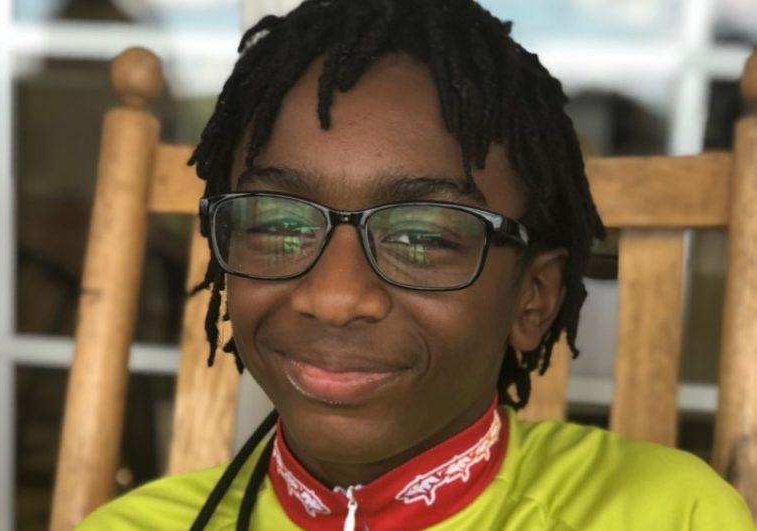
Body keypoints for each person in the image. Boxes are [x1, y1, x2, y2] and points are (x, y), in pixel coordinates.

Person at [79, 0, 756, 529]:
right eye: (280, 224)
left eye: (423, 237)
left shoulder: (669, 514)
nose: (336, 297)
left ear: (534, 297)